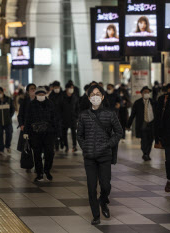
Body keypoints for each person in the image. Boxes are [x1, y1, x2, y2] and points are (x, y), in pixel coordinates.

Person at [77, 85, 123, 225]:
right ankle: (96, 215)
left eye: (98, 94)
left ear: (102, 97)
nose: (95, 96)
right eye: (92, 94)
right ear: (89, 97)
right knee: (91, 187)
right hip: (89, 157)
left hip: (104, 156)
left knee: (106, 186)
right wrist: (85, 147)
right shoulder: (84, 115)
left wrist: (109, 144)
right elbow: (79, 135)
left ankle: (103, 201)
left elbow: (119, 132)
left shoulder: (110, 114)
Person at [23, 87, 60, 181]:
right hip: (35, 134)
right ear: (36, 95)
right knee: (37, 154)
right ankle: (39, 173)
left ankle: (47, 170)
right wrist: (26, 132)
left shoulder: (50, 104)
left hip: (49, 133)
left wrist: (57, 132)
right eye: (39, 95)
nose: (41, 96)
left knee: (50, 153)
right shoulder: (32, 104)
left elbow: (55, 118)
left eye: (42, 95)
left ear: (45, 94)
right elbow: (28, 119)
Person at [127, 86, 156, 161]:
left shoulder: (153, 102)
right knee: (144, 140)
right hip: (142, 124)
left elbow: (157, 114)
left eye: (148, 92)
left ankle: (147, 154)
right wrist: (128, 125)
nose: (146, 93)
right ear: (141, 93)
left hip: (152, 123)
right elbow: (132, 114)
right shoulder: (137, 103)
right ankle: (145, 153)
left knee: (150, 140)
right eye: (145, 92)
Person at [0, 87, 15, 155]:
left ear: (3, 92)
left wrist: (9, 116)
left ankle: (7, 146)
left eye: (0, 92)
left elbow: (12, 109)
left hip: (8, 122)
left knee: (9, 134)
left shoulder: (8, 99)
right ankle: (1, 149)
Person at [60, 83, 80, 152]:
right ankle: (66, 146)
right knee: (64, 133)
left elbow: (77, 107)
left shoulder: (75, 97)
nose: (71, 89)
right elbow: (59, 108)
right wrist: (61, 117)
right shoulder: (62, 97)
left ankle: (74, 146)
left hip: (73, 118)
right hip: (64, 118)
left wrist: (77, 116)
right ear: (66, 88)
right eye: (70, 88)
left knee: (74, 133)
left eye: (72, 88)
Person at [17, 84, 36, 153]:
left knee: (36, 147)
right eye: (31, 89)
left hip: (36, 127)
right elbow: (20, 115)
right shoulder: (24, 102)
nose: (33, 90)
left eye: (34, 88)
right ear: (28, 91)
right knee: (26, 147)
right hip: (26, 127)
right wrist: (21, 124)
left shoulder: (38, 101)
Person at [49, 81, 64, 151]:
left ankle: (62, 142)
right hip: (54, 116)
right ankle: (57, 145)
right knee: (55, 132)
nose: (56, 89)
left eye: (57, 87)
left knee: (61, 131)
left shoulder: (63, 94)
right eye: (55, 87)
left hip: (61, 116)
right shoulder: (51, 95)